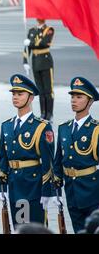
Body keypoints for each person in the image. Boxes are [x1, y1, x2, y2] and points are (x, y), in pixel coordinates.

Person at [0, 74, 55, 227]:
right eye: (14, 94)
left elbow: (48, 162)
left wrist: (47, 191)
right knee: (19, 227)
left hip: (33, 185)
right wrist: (1, 187)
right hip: (14, 184)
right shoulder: (7, 126)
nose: (15, 97)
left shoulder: (42, 126)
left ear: (31, 98)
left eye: (20, 94)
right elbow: (2, 159)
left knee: (36, 227)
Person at [53, 77, 99, 233]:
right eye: (72, 97)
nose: (74, 100)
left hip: (92, 191)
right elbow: (58, 160)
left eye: (79, 97)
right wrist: (56, 191)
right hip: (71, 191)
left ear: (90, 101)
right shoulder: (64, 128)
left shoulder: (96, 129)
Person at [23, 18, 55, 121]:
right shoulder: (32, 30)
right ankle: (43, 113)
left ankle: (49, 113)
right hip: (35, 62)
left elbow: (44, 43)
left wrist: (30, 43)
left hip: (46, 62)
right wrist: (25, 61)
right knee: (40, 90)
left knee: (48, 90)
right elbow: (27, 48)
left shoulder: (49, 30)